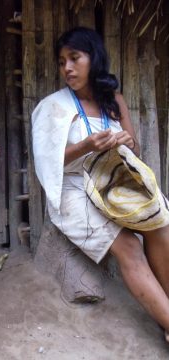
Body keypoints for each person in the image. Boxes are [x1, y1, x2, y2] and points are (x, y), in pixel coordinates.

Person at [32, 27, 169, 342]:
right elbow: (46, 162)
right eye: (61, 61)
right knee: (129, 247)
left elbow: (133, 148)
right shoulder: (53, 107)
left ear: (94, 58)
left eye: (74, 58)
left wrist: (125, 140)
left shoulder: (113, 99)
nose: (67, 67)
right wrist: (86, 146)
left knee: (159, 223)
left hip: (112, 179)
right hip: (73, 188)